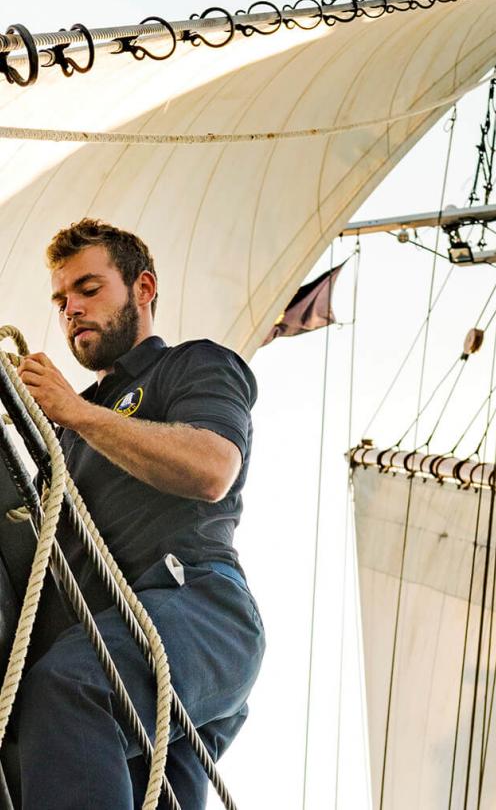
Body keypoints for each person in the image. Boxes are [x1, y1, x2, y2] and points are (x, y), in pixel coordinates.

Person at [15, 218, 265, 809]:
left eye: (89, 288)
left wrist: (76, 413)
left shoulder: (192, 366)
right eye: (61, 299)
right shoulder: (68, 440)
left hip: (199, 610)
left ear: (143, 289)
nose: (71, 308)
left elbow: (211, 468)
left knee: (72, 685)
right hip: (115, 637)